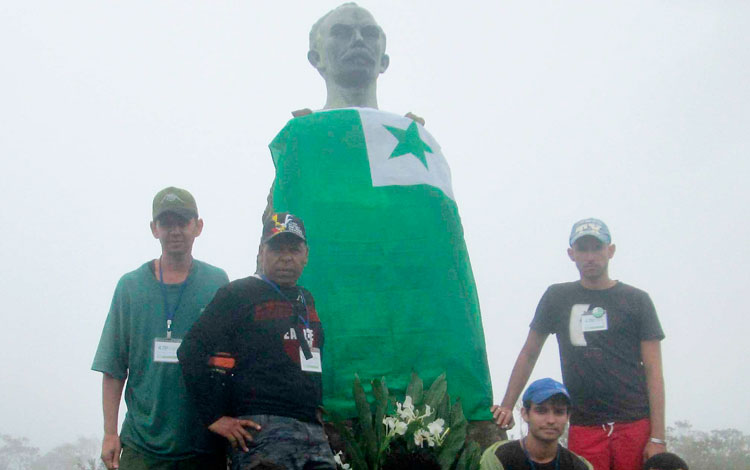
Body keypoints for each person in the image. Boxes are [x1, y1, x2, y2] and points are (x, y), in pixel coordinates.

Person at [265, 2, 497, 446]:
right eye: (342, 32)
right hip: (327, 390)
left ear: (385, 59)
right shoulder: (303, 143)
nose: (357, 40)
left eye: (369, 33)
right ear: (315, 57)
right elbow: (277, 258)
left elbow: (446, 271)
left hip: (427, 392)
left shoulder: (419, 144)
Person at [492, 218, 667, 470]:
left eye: (597, 248)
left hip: (634, 421)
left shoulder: (637, 300)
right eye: (583, 249)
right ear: (571, 254)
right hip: (585, 423)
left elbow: (654, 370)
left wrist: (657, 436)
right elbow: (529, 353)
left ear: (611, 250)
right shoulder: (557, 297)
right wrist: (507, 406)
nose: (590, 256)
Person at [178, 213, 336, 470]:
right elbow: (190, 351)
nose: (286, 257)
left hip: (312, 431)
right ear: (262, 252)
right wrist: (213, 417)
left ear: (306, 254)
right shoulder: (238, 293)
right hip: (262, 429)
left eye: (294, 249)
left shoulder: (306, 299)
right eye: (276, 248)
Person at [91, 187, 229, 470]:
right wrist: (109, 433)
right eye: (166, 223)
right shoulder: (130, 287)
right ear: (154, 229)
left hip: (203, 445)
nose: (175, 230)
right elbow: (114, 367)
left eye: (183, 222)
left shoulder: (217, 283)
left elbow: (230, 360)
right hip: (143, 446)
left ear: (198, 227)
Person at [481, 378, 592, 470]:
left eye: (559, 412)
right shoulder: (499, 458)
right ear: (525, 414)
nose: (551, 420)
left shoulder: (579, 466)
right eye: (541, 411)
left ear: (567, 416)